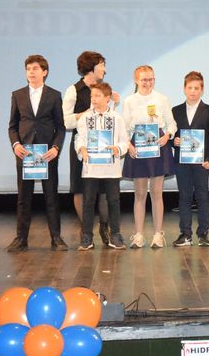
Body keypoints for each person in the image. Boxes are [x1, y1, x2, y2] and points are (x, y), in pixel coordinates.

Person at [6, 54, 67, 251]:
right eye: (28, 69)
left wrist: (55, 148)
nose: (31, 72)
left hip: (47, 154)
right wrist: (16, 144)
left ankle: (56, 238)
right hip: (25, 154)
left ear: (44, 72)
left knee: (51, 196)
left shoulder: (54, 95)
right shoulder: (18, 95)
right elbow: (12, 126)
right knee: (24, 197)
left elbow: (60, 127)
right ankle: (21, 238)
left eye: (35, 68)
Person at [62, 51, 119, 246]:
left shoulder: (104, 89)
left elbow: (111, 120)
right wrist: (86, 113)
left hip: (103, 146)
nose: (104, 69)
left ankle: (105, 227)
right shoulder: (73, 90)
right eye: (102, 65)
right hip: (83, 146)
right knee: (80, 189)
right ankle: (85, 230)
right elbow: (65, 121)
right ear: (92, 67)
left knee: (103, 189)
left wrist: (114, 105)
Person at [122, 65, 176, 248]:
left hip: (158, 147)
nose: (148, 82)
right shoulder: (129, 101)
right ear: (136, 80)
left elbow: (172, 124)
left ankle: (158, 234)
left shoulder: (162, 99)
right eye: (144, 79)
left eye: (151, 79)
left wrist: (167, 135)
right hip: (138, 147)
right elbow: (124, 128)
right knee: (139, 193)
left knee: (156, 192)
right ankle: (138, 235)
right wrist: (128, 145)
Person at [74, 82, 129, 250]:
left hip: (111, 169)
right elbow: (79, 138)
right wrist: (81, 149)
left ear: (107, 98)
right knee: (88, 202)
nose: (93, 99)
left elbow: (124, 141)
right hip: (91, 168)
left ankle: (115, 235)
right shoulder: (85, 118)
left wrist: (118, 149)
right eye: (92, 96)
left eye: (97, 96)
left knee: (113, 201)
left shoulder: (117, 118)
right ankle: (87, 237)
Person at [171, 71, 209, 247]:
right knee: (184, 196)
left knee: (202, 196)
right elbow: (171, 135)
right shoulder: (175, 111)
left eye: (196, 88)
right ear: (184, 89)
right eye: (190, 87)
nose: (193, 91)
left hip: (201, 162)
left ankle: (203, 233)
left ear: (202, 90)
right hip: (182, 162)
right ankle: (185, 234)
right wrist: (174, 141)